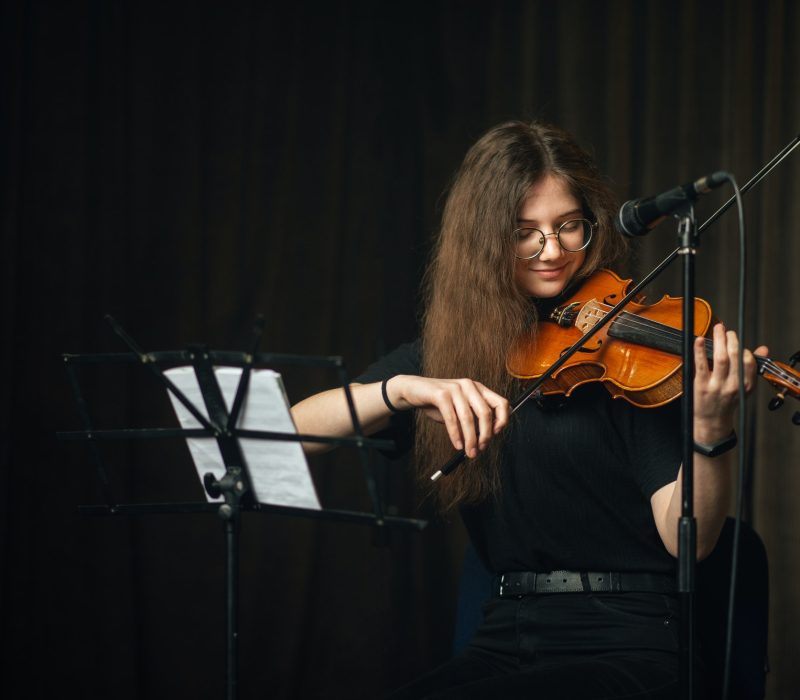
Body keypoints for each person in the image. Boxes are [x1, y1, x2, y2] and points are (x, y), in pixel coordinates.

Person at [290, 121, 767, 699]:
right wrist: (400, 390)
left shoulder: (627, 356)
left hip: (631, 644)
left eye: (569, 226)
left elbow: (687, 540)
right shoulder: (455, 352)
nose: (553, 251)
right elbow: (292, 433)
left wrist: (711, 428)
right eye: (525, 233)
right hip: (503, 640)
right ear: (485, 241)